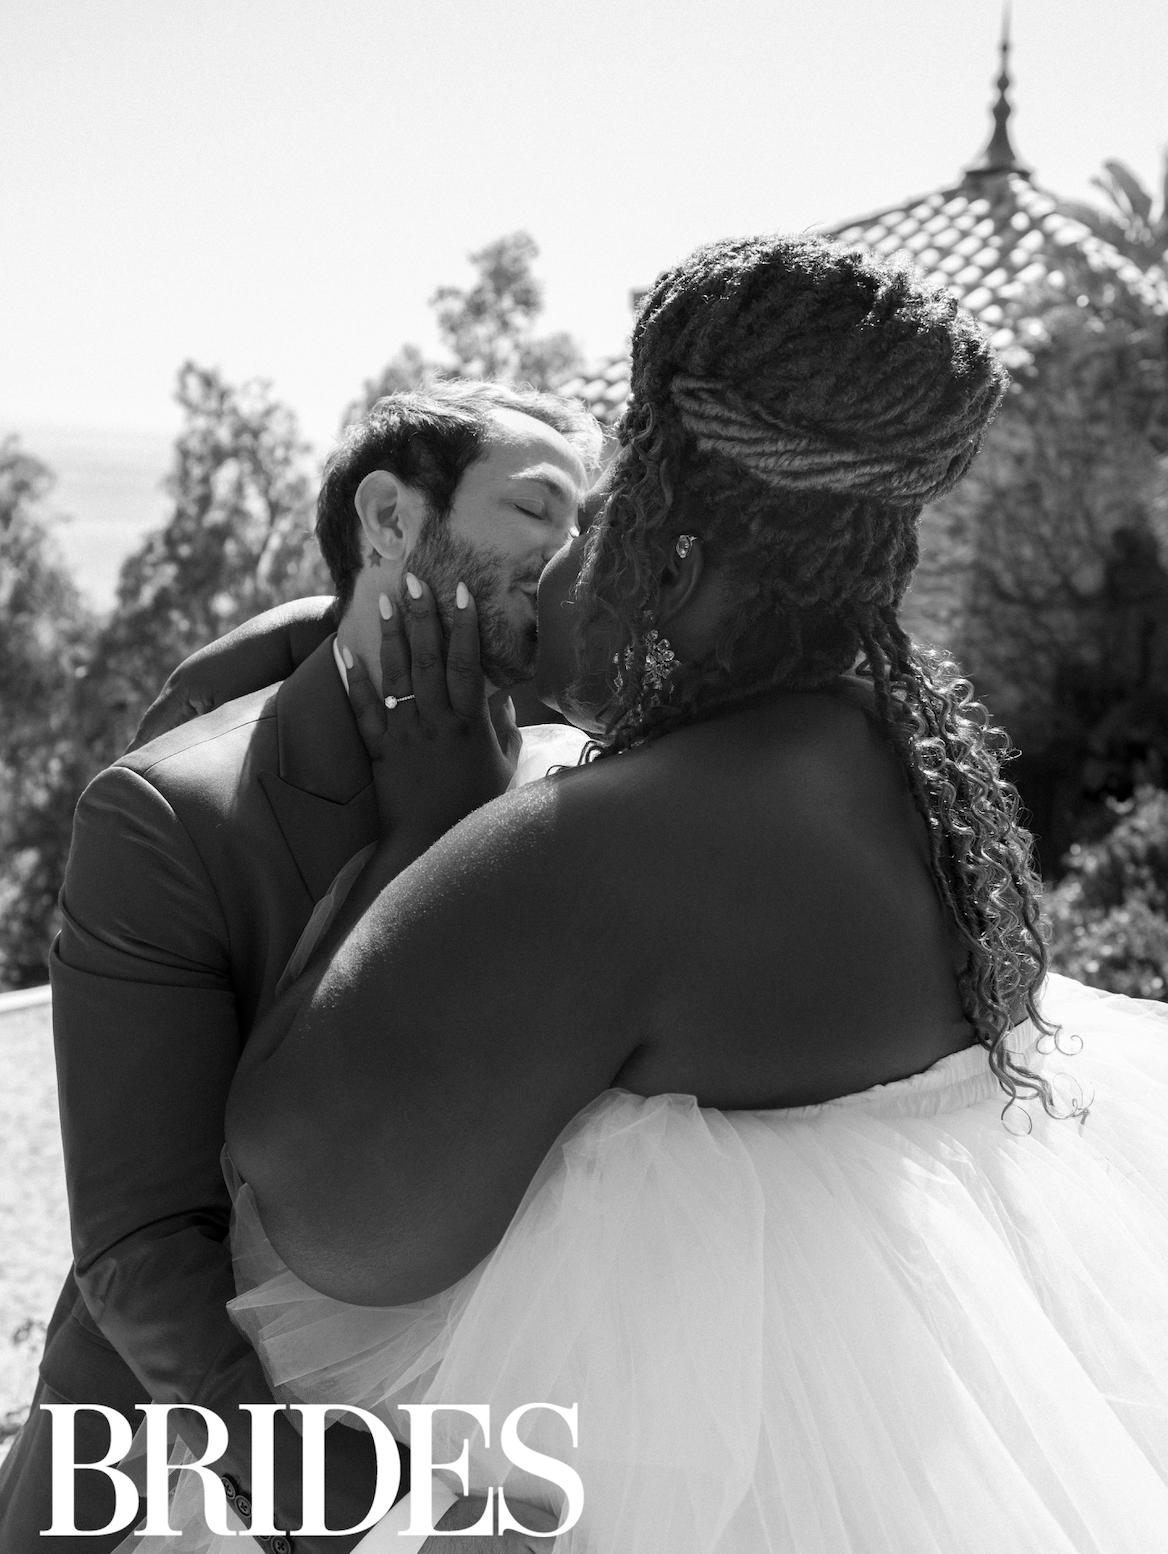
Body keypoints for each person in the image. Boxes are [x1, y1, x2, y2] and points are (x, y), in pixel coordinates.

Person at [168, 234, 1166, 1551]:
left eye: (623, 476)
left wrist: (427, 827)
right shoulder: (904, 765)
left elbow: (332, 1219)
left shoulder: (606, 849)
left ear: (671, 514)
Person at [0, 380, 599, 1553]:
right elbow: (139, 1245)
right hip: (211, 1425)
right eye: (537, 509)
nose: (569, 552)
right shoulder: (169, 812)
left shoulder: (584, 771)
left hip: (526, 1394)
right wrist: (342, 1506)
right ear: (389, 517)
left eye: (585, 524)